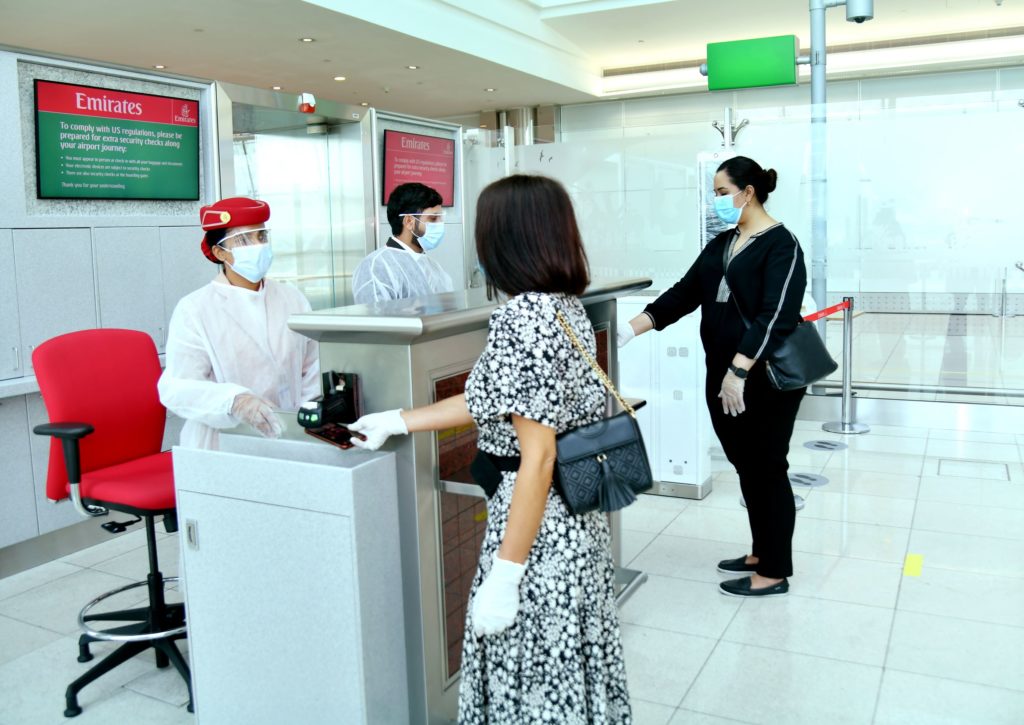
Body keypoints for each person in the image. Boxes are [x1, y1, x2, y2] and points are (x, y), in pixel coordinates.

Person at [348, 175, 632, 723]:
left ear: (503, 239)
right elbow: (491, 398)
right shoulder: (564, 306)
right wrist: (399, 420)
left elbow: (538, 456)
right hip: (576, 517)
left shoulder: (522, 320)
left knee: (532, 680)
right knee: (569, 666)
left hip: (538, 531)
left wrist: (505, 574)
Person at [619, 156, 806, 598]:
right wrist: (632, 328)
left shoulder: (782, 245)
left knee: (767, 469)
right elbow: (685, 292)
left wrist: (739, 370)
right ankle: (762, 550)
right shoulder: (724, 242)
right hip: (721, 375)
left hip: (763, 380)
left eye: (722, 192)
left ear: (749, 191)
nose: (716, 201)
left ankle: (774, 571)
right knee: (747, 468)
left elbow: (775, 316)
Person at [158, 196, 320, 450]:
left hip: (289, 437)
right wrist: (234, 402)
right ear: (220, 252)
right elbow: (177, 388)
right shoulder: (195, 309)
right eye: (244, 240)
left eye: (261, 237)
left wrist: (306, 419)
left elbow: (313, 368)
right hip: (221, 443)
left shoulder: (292, 299)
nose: (258, 245)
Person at [351, 182, 454, 304]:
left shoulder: (434, 267)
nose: (440, 224)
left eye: (440, 218)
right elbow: (377, 319)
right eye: (433, 218)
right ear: (409, 221)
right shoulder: (375, 267)